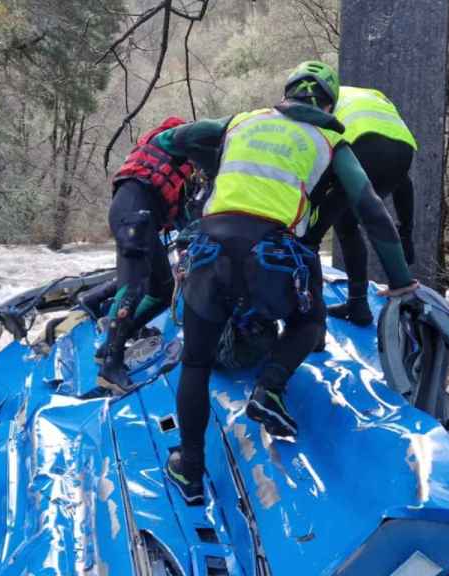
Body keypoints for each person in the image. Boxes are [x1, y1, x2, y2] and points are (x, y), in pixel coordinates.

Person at [152, 61, 419, 504]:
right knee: (309, 322)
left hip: (209, 251)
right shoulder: (331, 140)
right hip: (270, 255)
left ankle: (191, 471)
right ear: (331, 105)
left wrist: (205, 161)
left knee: (196, 362)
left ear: (286, 92)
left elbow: (173, 139)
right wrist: (402, 282)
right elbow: (371, 210)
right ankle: (270, 388)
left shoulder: (241, 122)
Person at [98, 117, 199, 392]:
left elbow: (185, 220)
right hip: (132, 212)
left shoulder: (180, 170)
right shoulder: (172, 140)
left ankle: (109, 346)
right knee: (133, 287)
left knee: (162, 290)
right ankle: (111, 366)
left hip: (142, 218)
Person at [303, 86, 418, 326]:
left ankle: (320, 314)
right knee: (354, 214)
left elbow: (317, 165)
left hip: (359, 145)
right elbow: (404, 183)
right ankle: (364, 305)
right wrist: (406, 232)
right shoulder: (372, 95)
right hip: (403, 149)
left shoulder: (318, 101)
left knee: (335, 228)